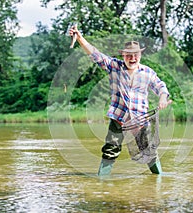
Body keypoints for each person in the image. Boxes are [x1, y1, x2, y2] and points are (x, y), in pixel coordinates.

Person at [69, 26, 171, 176]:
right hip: (119, 117)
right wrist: (79, 38)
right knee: (111, 149)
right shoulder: (114, 67)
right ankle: (101, 181)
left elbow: (161, 87)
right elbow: (95, 54)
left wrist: (162, 98)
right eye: (128, 55)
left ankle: (159, 179)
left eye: (135, 55)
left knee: (149, 151)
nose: (132, 58)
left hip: (140, 119)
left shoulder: (147, 72)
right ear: (123, 55)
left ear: (140, 55)